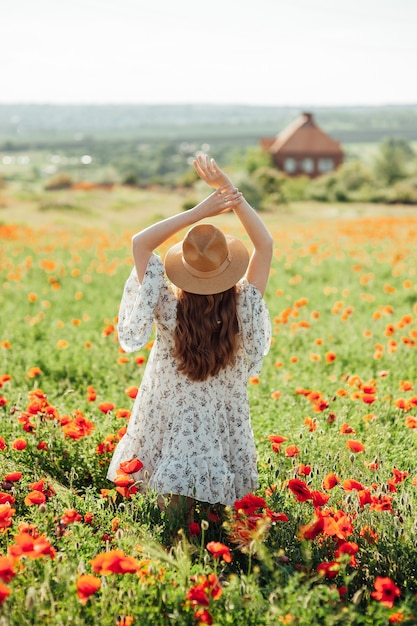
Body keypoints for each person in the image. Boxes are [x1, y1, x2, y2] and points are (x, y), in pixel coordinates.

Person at [107, 154, 273, 524]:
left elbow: (140, 242)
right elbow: (265, 245)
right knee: (214, 504)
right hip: (219, 411)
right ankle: (210, 526)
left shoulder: (166, 305)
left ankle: (174, 531)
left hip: (171, 408)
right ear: (228, 266)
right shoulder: (243, 301)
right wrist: (230, 194)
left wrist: (200, 211)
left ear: (182, 268)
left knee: (173, 494)